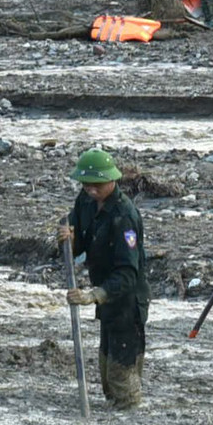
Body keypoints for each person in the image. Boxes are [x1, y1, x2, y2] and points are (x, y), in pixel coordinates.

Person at [60, 149, 148, 410]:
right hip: (106, 300)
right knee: (105, 369)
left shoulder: (124, 217)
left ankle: (131, 418)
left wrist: (93, 295)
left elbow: (128, 273)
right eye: (86, 185)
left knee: (121, 373)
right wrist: (69, 240)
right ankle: (115, 419)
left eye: (97, 185)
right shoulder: (85, 202)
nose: (91, 191)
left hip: (127, 301)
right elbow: (77, 244)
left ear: (112, 181)